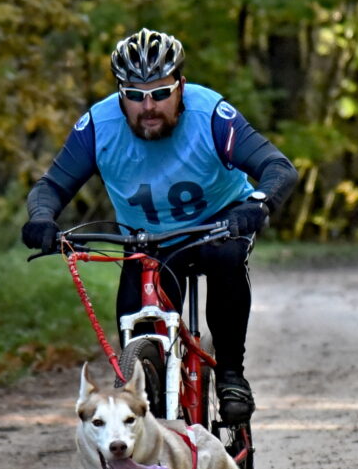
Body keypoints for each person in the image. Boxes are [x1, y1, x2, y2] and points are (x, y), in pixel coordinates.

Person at [22, 28, 298, 424]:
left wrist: (258, 204)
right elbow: (51, 186)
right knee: (134, 324)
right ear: (121, 94)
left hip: (217, 227)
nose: (148, 105)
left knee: (227, 258)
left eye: (160, 92)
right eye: (134, 95)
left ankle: (231, 374)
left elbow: (278, 167)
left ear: (181, 87)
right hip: (146, 242)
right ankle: (149, 413)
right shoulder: (98, 126)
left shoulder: (211, 115)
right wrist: (42, 219)